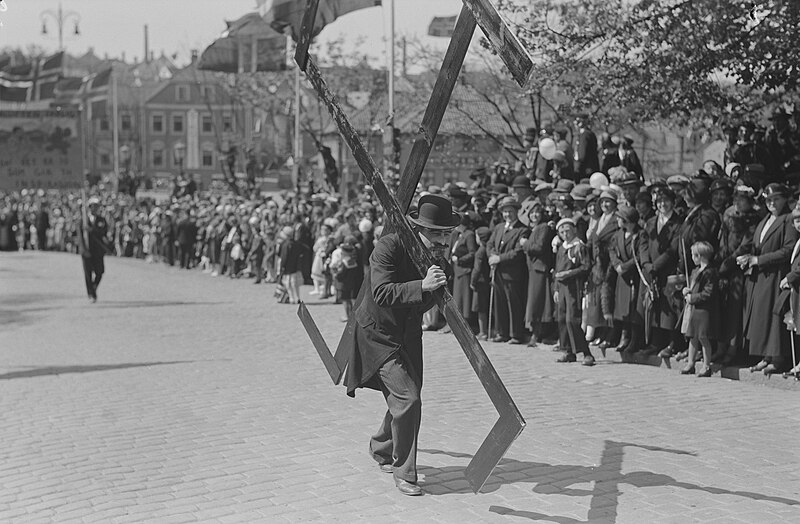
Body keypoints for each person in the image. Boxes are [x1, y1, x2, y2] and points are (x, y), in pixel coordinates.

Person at [340, 194, 458, 496]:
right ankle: (405, 472)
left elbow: (437, 298)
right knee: (408, 398)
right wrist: (422, 286)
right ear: (418, 229)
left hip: (408, 333)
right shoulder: (389, 247)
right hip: (377, 333)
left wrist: (435, 286)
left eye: (447, 233)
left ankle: (380, 447)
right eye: (436, 233)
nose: (442, 240)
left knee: (407, 394)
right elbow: (380, 292)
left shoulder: (440, 260)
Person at [740, 183, 798, 374]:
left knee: (773, 317)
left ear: (784, 200)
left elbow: (787, 250)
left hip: (776, 275)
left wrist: (759, 259)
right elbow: (758, 245)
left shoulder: (787, 220)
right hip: (760, 276)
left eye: (776, 199)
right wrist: (749, 258)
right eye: (768, 200)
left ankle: (777, 357)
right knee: (761, 316)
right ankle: (765, 356)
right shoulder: (764, 220)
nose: (772, 203)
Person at [487, 196, 530, 344]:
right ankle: (501, 332)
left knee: (513, 304)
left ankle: (516, 334)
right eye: (505, 212)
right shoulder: (499, 227)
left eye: (510, 211)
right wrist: (491, 255)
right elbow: (490, 244)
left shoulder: (523, 229)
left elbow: (518, 252)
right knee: (500, 304)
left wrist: (500, 258)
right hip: (497, 272)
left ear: (516, 211)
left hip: (513, 274)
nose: (507, 215)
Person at [553, 218, 595, 366]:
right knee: (562, 319)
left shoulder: (579, 247)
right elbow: (557, 269)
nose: (565, 234)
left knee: (573, 320)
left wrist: (568, 274)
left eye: (568, 230)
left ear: (574, 230)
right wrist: (556, 289)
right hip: (562, 288)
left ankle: (586, 352)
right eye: (562, 231)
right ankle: (568, 351)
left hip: (574, 287)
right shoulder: (562, 248)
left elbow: (586, 267)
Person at [680, 241, 721, 377]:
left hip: (704, 310)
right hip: (694, 309)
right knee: (692, 336)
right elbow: (693, 287)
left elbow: (708, 293)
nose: (692, 258)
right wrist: (687, 291)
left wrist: (693, 298)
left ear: (701, 256)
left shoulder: (710, 272)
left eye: (694, 255)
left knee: (703, 338)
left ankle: (706, 365)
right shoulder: (695, 271)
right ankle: (690, 364)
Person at [520, 201, 555, 347]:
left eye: (537, 212)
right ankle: (535, 332)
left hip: (539, 268)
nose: (534, 215)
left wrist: (525, 243)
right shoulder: (533, 229)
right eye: (532, 213)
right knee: (534, 301)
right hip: (532, 269)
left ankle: (536, 334)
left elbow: (539, 247)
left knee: (538, 301)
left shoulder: (543, 227)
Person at [78, 196, 109, 302]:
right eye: (93, 206)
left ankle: (94, 286)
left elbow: (102, 232)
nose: (95, 208)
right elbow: (80, 237)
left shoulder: (102, 220)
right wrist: (83, 250)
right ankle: (91, 294)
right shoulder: (83, 220)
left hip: (98, 251)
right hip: (87, 250)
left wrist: (91, 230)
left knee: (100, 272)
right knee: (88, 273)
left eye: (97, 206)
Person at [471, 226, 492, 340]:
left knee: (480, 308)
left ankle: (483, 332)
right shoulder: (486, 249)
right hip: (485, 282)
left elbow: (477, 268)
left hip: (479, 282)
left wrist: (473, 281)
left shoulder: (480, 251)